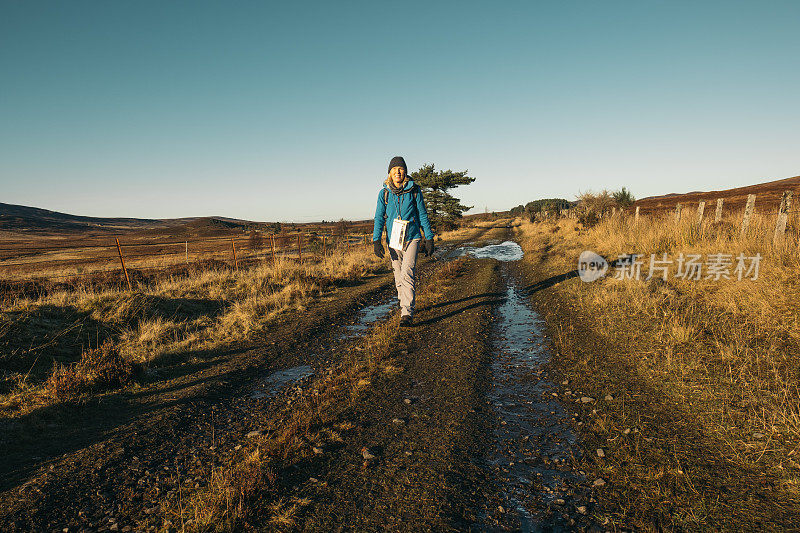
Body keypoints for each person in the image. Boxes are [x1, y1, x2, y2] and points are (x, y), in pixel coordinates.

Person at [373, 156, 435, 327]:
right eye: (394, 169)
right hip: (394, 240)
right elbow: (379, 217)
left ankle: (406, 312)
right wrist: (376, 240)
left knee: (407, 273)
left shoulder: (414, 190)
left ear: (405, 172)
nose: (398, 172)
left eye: (401, 169)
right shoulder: (384, 193)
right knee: (398, 276)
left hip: (412, 238)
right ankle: (404, 303)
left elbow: (422, 214)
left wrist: (429, 238)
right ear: (390, 173)